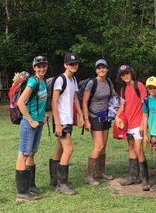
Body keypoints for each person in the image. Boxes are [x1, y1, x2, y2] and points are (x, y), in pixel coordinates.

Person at [15, 56, 49, 201]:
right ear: (34, 68)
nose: (42, 69)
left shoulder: (43, 82)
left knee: (32, 154)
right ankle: (22, 192)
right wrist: (31, 120)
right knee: (23, 154)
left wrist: (43, 117)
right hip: (29, 124)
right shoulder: (32, 82)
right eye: (39, 66)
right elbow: (20, 103)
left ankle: (31, 185)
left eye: (44, 66)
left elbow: (39, 103)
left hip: (39, 123)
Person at [51, 53, 84, 195]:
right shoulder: (60, 79)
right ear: (65, 65)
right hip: (62, 120)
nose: (74, 65)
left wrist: (81, 115)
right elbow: (53, 102)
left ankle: (55, 180)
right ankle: (62, 184)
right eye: (71, 64)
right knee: (69, 149)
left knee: (59, 148)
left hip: (69, 119)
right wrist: (57, 124)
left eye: (76, 63)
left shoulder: (73, 80)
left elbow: (75, 98)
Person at [115, 64, 149, 191]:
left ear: (131, 73)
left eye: (127, 73)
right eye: (123, 74)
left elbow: (145, 106)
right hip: (128, 124)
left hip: (138, 123)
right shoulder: (123, 89)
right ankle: (133, 176)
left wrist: (143, 124)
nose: (125, 76)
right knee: (130, 147)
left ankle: (145, 179)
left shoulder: (139, 86)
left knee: (139, 149)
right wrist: (117, 117)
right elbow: (122, 107)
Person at [83, 59, 116, 185]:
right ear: (96, 70)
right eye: (99, 68)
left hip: (105, 116)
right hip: (94, 117)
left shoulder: (108, 81)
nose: (101, 70)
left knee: (104, 147)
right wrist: (86, 120)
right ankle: (89, 175)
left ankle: (101, 172)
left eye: (103, 68)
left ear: (107, 69)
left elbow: (114, 96)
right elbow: (85, 102)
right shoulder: (92, 83)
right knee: (98, 146)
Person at [141, 76, 156, 191]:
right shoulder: (146, 101)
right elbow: (145, 116)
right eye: (149, 88)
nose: (152, 90)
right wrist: (145, 133)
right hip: (154, 132)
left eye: (154, 88)